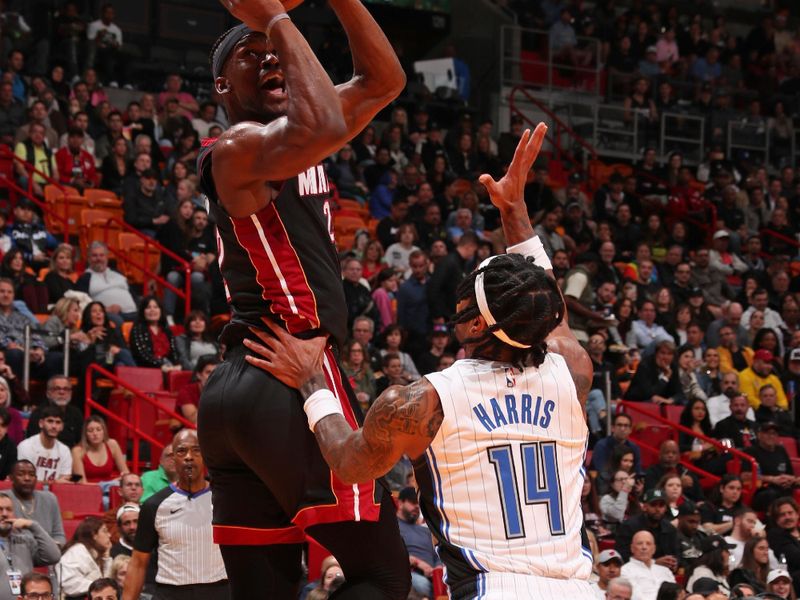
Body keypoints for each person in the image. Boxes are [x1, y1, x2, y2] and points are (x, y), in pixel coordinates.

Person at [244, 125, 597, 596]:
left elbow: (350, 463)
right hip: (579, 588)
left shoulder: (424, 400)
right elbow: (549, 306)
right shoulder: (572, 369)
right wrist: (514, 210)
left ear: (474, 326)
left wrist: (312, 384)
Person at [122, 430, 228, 600]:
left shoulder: (225, 500)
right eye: (181, 451)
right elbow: (138, 563)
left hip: (218, 591)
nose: (189, 457)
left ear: (206, 456)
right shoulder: (153, 505)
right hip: (170, 593)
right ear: (173, 459)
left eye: (196, 450)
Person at [0, 492, 60, 600]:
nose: (4, 514)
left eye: (9, 509)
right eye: (0, 509)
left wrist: (33, 526)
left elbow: (53, 556)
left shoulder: (24, 540)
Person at [6, 460, 66, 547]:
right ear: (11, 478)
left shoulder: (49, 499)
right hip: (16, 552)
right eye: (21, 474)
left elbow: (59, 535)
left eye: (31, 474)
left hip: (47, 554)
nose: (27, 478)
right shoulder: (4, 498)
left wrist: (53, 549)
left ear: (36, 478)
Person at [395, 487, 437, 597]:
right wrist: (418, 563)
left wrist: (438, 568)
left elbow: (438, 553)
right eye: (413, 502)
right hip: (410, 573)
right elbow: (390, 554)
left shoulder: (426, 531)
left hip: (435, 576)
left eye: (418, 503)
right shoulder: (393, 527)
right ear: (400, 503)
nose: (417, 506)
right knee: (422, 585)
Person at [58, 516, 113, 600]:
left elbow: (108, 583)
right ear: (93, 535)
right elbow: (69, 585)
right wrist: (99, 586)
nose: (109, 535)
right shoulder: (77, 551)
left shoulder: (96, 553)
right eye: (105, 531)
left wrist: (106, 557)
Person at [16, 406, 72, 483]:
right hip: (28, 493)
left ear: (62, 426)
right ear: (41, 423)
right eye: (50, 421)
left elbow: (65, 479)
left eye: (58, 422)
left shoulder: (64, 450)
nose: (54, 426)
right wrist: (54, 483)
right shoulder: (26, 446)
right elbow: (24, 480)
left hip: (55, 494)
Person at [26, 375, 84, 447]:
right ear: (48, 393)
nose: (62, 392)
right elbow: (31, 443)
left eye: (66, 389)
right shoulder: (38, 414)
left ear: (71, 393)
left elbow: (82, 442)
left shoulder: (76, 413)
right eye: (57, 388)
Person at [619, 530, 676, 600]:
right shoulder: (625, 571)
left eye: (648, 544)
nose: (644, 547)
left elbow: (676, 594)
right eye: (639, 543)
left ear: (654, 549)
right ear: (632, 548)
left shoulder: (665, 571)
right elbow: (635, 597)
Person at [129, 296, 181, 372]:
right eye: (148, 307)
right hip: (148, 368)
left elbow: (174, 352)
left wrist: (177, 364)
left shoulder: (167, 330)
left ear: (161, 311)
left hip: (168, 366)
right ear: (143, 311)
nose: (152, 310)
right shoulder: (137, 330)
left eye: (156, 307)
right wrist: (160, 366)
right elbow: (142, 354)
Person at [71, 416, 128, 484]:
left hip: (109, 491)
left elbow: (126, 473)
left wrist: (123, 478)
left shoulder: (112, 444)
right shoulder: (77, 451)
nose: (95, 434)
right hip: (87, 491)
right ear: (85, 434)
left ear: (104, 431)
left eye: (98, 429)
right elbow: (81, 483)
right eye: (90, 431)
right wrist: (108, 484)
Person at [175, 355, 219, 425]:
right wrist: (211, 394)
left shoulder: (224, 390)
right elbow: (194, 420)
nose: (213, 376)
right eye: (208, 372)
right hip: (189, 430)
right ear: (199, 375)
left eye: (216, 373)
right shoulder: (186, 391)